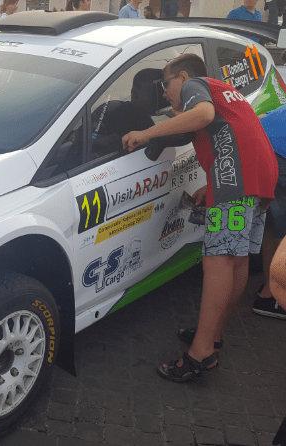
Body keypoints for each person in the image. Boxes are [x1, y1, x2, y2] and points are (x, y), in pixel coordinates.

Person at [122, 54, 278, 383]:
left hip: (237, 181)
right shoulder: (223, 90)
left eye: (166, 84)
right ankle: (213, 335)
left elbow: (203, 115)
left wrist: (147, 132)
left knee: (218, 261)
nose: (164, 93)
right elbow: (231, 135)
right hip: (257, 177)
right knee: (235, 261)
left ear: (182, 76)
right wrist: (211, 186)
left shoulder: (196, 85)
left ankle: (200, 353)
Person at [252, 104, 286, 319]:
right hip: (278, 153)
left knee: (273, 225)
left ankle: (270, 291)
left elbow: (263, 117)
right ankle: (274, 294)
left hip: (260, 141)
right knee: (280, 228)